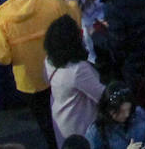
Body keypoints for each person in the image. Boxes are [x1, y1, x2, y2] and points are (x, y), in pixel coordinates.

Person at [0, 0, 79, 149]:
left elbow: (1, 57)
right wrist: (73, 5)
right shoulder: (53, 3)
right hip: (59, 72)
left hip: (29, 81)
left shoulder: (1, 18)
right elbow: (74, 28)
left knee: (45, 124)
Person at [45, 12, 106, 145]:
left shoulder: (49, 61)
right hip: (82, 127)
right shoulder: (78, 70)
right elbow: (102, 95)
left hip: (63, 122)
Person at [86, 82, 145, 149]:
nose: (127, 114)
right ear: (108, 110)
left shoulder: (139, 113)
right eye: (121, 111)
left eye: (129, 109)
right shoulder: (96, 131)